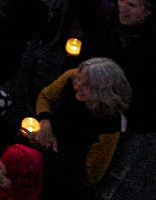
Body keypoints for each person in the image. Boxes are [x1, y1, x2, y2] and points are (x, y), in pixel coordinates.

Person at [26, 59, 132, 197]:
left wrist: (51, 153)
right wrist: (45, 121)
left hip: (64, 170)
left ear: (102, 92)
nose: (77, 86)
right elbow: (45, 97)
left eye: (86, 85)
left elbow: (90, 176)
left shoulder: (109, 127)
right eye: (78, 80)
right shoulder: (72, 77)